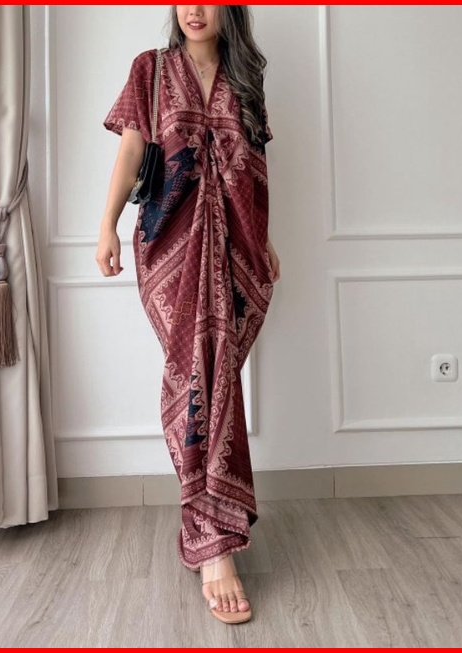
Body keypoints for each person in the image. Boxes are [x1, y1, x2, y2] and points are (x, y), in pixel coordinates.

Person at [96, 5, 280, 624]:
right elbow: (132, 152)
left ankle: (209, 529)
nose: (194, 9)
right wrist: (107, 227)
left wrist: (266, 239)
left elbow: (256, 172)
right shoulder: (149, 70)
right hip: (168, 246)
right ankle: (213, 544)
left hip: (237, 247)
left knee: (215, 375)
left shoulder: (247, 77)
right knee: (197, 374)